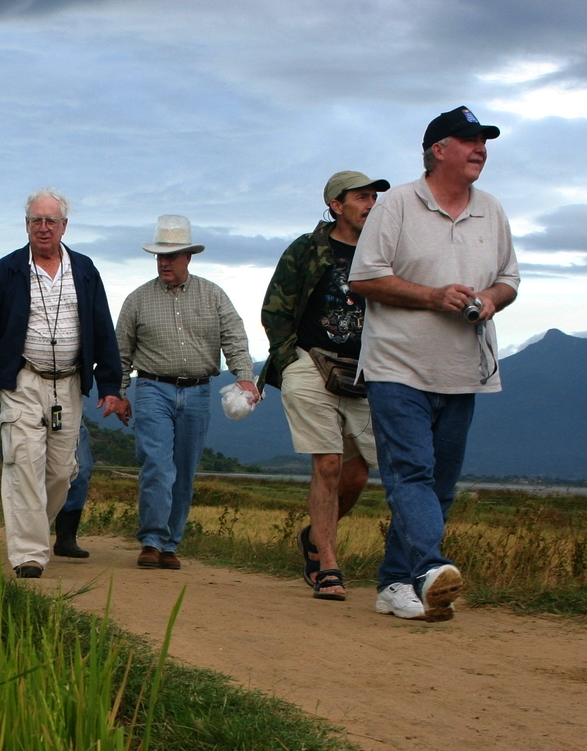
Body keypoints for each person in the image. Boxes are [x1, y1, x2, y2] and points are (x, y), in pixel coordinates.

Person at [349, 106, 519, 621]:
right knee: (412, 473)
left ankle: (396, 583)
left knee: (439, 485)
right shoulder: (397, 204)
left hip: (463, 369)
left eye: (484, 141)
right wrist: (432, 297)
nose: (480, 148)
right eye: (468, 140)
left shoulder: (491, 209)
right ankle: (429, 568)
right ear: (437, 149)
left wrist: (489, 299)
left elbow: (509, 280)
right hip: (397, 366)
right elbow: (363, 279)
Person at [0, 188, 128, 578]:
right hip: (21, 380)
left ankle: (33, 528)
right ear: (26, 225)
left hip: (68, 384)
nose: (43, 228)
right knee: (23, 464)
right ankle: (29, 555)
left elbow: (102, 329)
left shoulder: (84, 270)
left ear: (64, 226)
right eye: (36, 220)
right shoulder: (7, 270)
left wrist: (110, 386)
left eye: (51, 221)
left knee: (59, 472)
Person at [258, 170, 391, 600]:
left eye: (374, 197)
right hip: (311, 364)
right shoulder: (306, 249)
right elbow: (274, 309)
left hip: (364, 370)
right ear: (336, 205)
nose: (371, 204)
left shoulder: (385, 250)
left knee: (356, 473)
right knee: (329, 463)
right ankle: (328, 566)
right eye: (362, 197)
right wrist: (288, 358)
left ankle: (314, 537)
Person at [117, 215, 256, 570]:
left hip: (197, 393)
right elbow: (121, 352)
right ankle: (150, 539)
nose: (164, 262)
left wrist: (245, 377)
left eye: (172, 256)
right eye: (160, 256)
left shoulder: (213, 295)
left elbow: (235, 339)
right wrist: (119, 392)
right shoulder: (137, 300)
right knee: (157, 466)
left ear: (188, 257)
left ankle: (169, 544)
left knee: (184, 470)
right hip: (151, 388)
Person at [53, 421, 94, 559]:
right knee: (33, 471)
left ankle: (66, 538)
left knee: (81, 469)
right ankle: (28, 542)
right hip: (32, 411)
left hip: (71, 415)